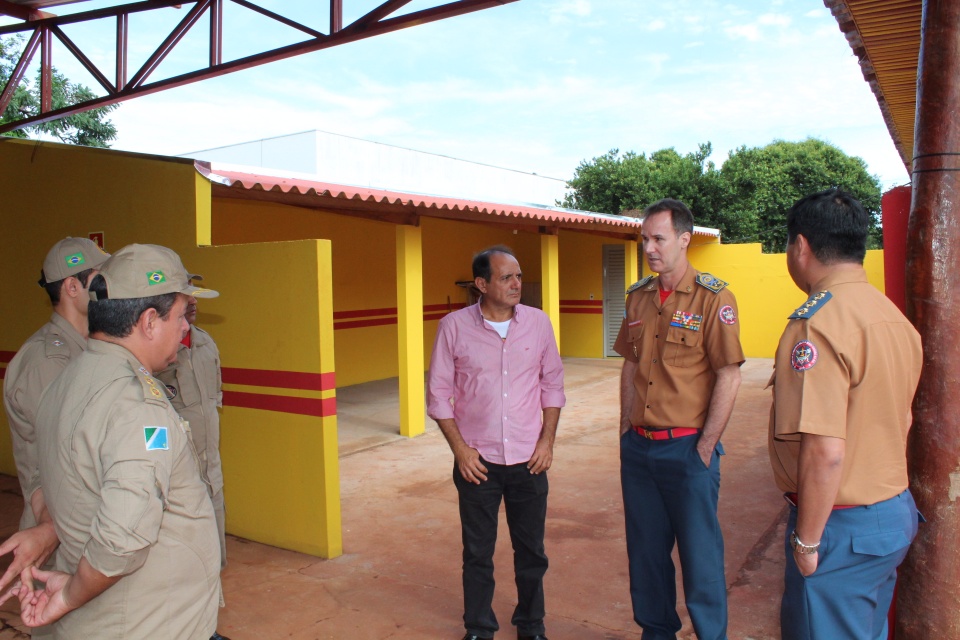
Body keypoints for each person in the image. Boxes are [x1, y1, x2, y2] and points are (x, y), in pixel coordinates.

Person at [15, 244, 222, 639]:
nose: (185, 328)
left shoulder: (72, 378)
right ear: (148, 321)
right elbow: (121, 538)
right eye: (180, 315)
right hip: (146, 622)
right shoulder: (135, 404)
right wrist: (70, 596)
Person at [768, 188, 923, 640]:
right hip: (891, 516)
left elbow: (823, 451)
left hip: (840, 527)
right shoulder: (892, 316)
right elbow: (903, 421)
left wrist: (807, 541)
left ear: (801, 246)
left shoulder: (816, 324)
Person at [615, 198, 744, 640]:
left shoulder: (713, 297)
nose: (649, 248)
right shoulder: (638, 297)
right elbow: (630, 364)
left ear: (685, 239)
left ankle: (711, 634)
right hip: (640, 449)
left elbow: (729, 373)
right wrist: (623, 428)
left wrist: (706, 445)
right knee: (646, 554)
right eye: (644, 239)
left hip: (687, 450)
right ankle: (656, 632)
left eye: (658, 238)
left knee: (700, 556)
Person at [427, 246, 564, 640]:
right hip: (478, 461)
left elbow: (552, 384)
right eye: (506, 277)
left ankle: (532, 625)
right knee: (477, 553)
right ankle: (479, 627)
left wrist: (547, 441)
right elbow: (438, 394)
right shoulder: (454, 327)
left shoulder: (538, 324)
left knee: (532, 552)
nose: (517, 284)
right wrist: (460, 450)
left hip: (528, 459)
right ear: (482, 284)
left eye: (518, 276)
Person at [0, 237, 109, 598]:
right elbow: (51, 462)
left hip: (85, 525)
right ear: (72, 287)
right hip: (59, 533)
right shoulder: (47, 361)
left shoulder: (94, 350)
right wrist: (49, 530)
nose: (106, 288)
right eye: (99, 278)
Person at [155, 276, 231, 640]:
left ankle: (205, 625)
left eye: (197, 301)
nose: (195, 306)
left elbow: (213, 398)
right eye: (188, 301)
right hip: (177, 468)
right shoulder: (156, 353)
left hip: (209, 466)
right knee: (180, 553)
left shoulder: (205, 343)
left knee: (212, 546)